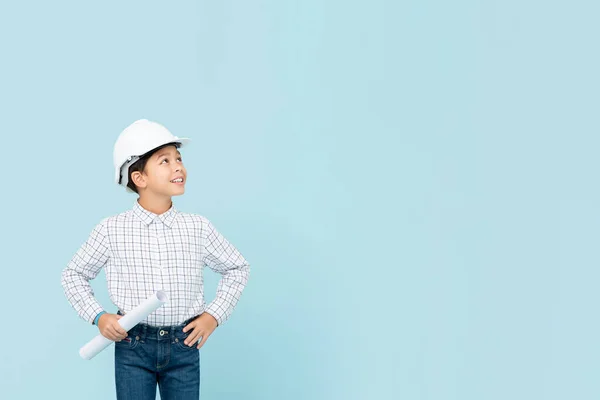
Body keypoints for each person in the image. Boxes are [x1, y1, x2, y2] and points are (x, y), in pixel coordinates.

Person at [61, 119, 250, 399]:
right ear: (140, 178)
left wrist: (213, 316)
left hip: (183, 345)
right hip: (132, 345)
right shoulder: (112, 229)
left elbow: (237, 267)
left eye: (179, 158)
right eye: (165, 161)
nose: (178, 166)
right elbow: (73, 274)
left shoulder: (197, 227)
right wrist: (99, 317)